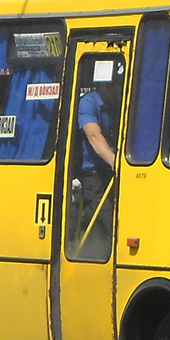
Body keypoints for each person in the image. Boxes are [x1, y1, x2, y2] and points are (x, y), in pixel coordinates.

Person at [75, 73, 121, 255]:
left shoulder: (117, 104)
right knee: (108, 219)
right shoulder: (89, 102)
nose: (118, 91)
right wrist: (115, 162)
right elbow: (94, 136)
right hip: (93, 175)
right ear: (103, 86)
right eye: (114, 87)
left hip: (110, 172)